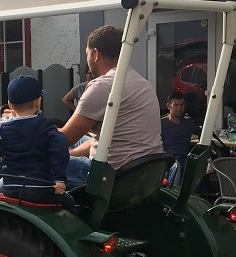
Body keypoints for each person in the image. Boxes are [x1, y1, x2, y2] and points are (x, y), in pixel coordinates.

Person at [60, 26, 162, 169]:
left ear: (96, 54)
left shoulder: (103, 86)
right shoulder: (142, 83)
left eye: (87, 54)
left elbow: (62, 139)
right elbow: (108, 139)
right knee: (79, 142)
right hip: (145, 172)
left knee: (36, 165)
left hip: (112, 177)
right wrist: (72, 154)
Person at [0, 75, 72, 207]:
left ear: (9, 104)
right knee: (70, 202)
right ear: (38, 102)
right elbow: (59, 149)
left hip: (11, 189)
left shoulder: (2, 127)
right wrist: (59, 178)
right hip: (40, 189)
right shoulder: (45, 126)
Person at [160, 91, 201, 174]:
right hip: (167, 161)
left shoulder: (188, 123)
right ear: (169, 106)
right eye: (176, 105)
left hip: (185, 160)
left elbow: (202, 133)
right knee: (176, 170)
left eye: (182, 105)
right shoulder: (160, 124)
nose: (179, 108)